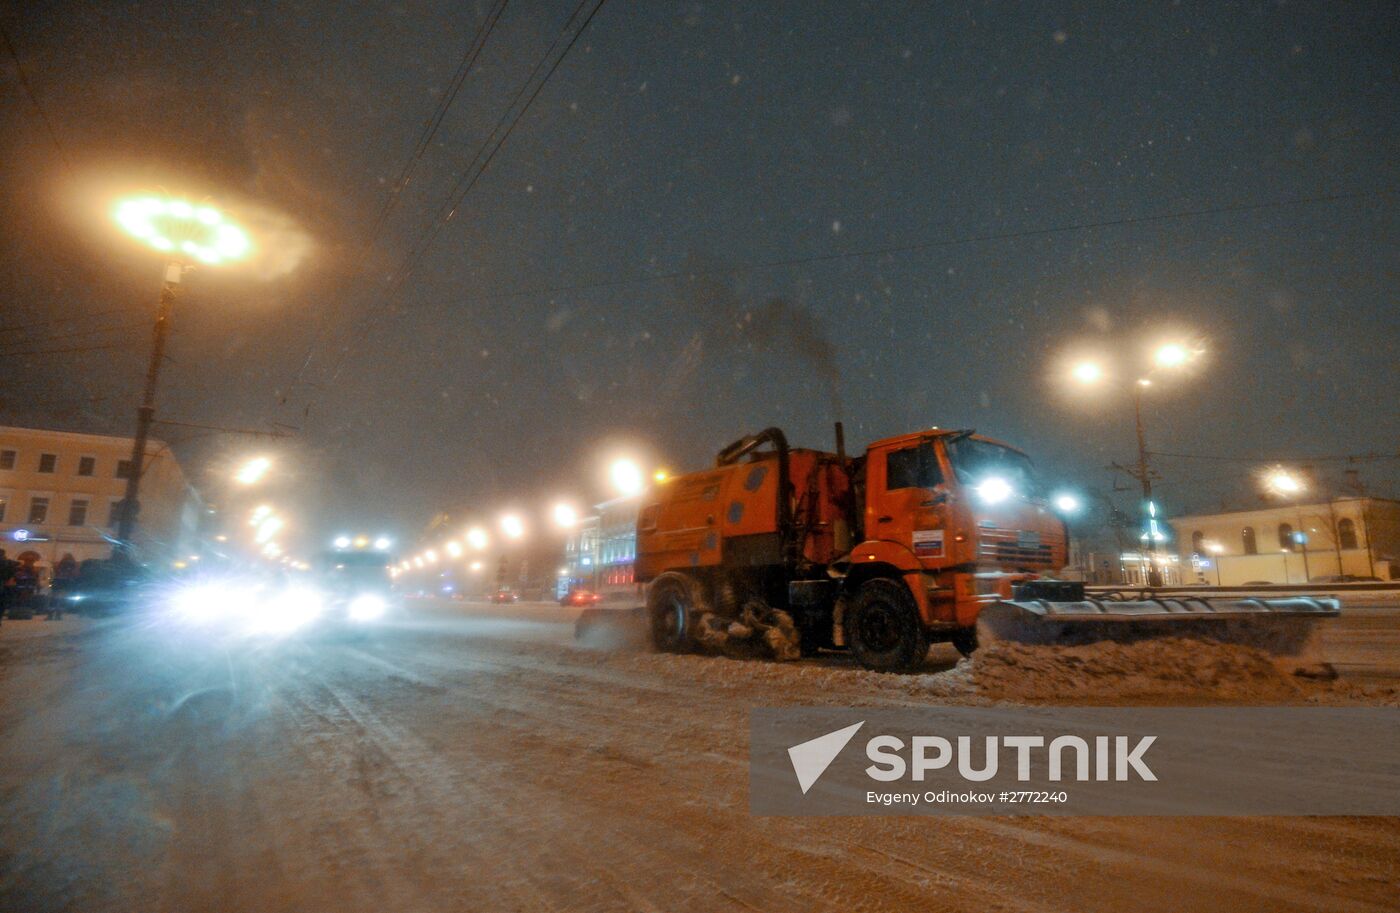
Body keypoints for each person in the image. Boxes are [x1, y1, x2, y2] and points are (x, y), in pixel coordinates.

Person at [48, 553, 78, 620]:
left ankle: (50, 615)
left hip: (57, 583)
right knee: (62, 599)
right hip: (65, 584)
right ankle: (58, 615)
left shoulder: (60, 564)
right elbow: (74, 574)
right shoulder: (72, 564)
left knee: (54, 599)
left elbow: (55, 572)